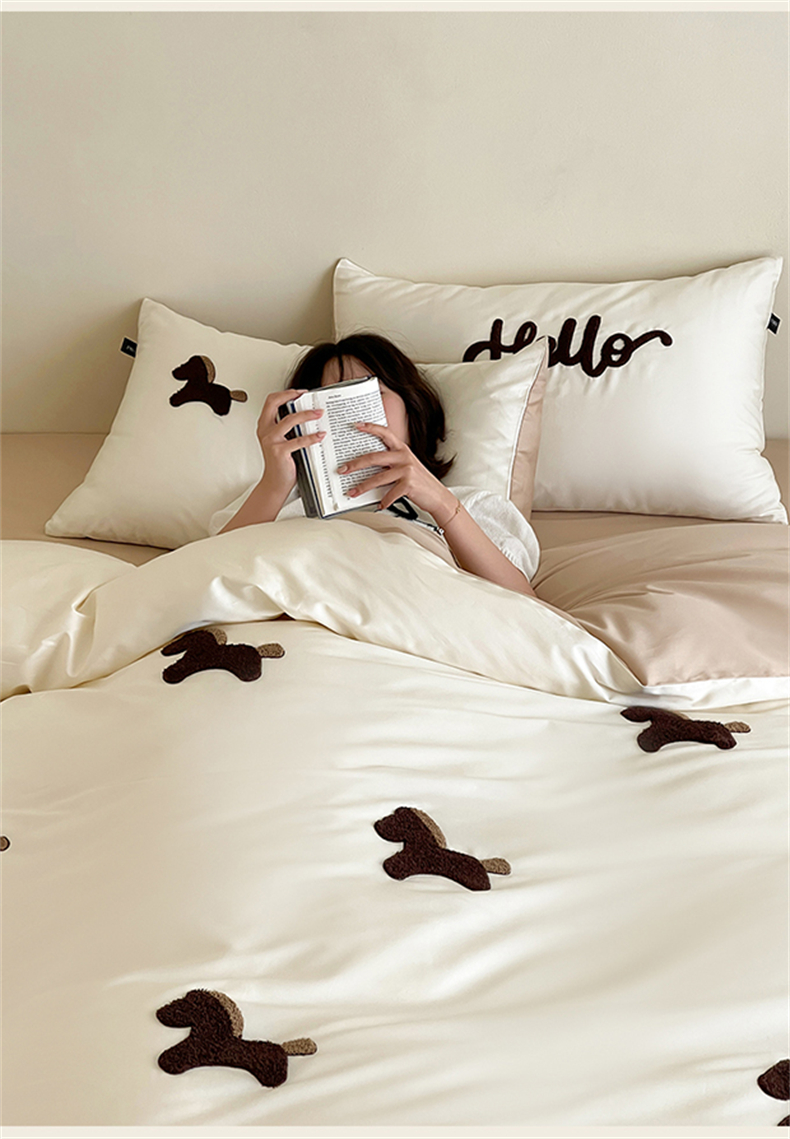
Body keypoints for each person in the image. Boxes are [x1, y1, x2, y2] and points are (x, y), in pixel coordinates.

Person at [215, 333, 539, 596]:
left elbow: (526, 610)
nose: (353, 411)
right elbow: (209, 575)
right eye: (330, 397)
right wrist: (275, 485)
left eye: (369, 392)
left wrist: (442, 505)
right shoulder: (271, 501)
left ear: (411, 409)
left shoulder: (469, 505)